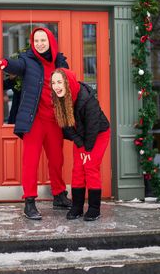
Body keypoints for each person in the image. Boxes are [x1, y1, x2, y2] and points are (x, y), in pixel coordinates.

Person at [0, 27, 72, 220]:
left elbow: (70, 86)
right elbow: (16, 66)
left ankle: (59, 195)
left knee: (57, 160)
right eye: (36, 41)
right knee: (30, 162)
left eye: (43, 40)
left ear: (50, 41)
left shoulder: (60, 62)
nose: (40, 44)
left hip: (55, 121)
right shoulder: (28, 60)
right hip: (34, 121)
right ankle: (29, 203)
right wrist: (3, 63)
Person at [50, 68, 110, 221]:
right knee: (78, 169)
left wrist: (87, 150)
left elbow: (93, 127)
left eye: (59, 82)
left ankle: (94, 208)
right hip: (81, 137)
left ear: (68, 82)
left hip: (98, 134)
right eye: (53, 83)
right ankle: (77, 207)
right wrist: (80, 145)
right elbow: (66, 126)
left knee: (90, 167)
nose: (56, 86)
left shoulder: (87, 99)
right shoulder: (59, 99)